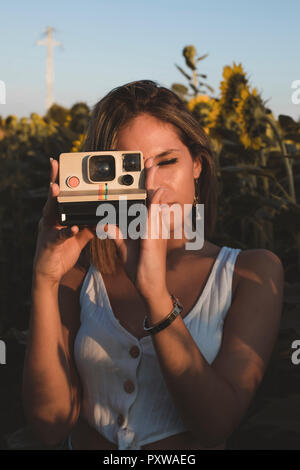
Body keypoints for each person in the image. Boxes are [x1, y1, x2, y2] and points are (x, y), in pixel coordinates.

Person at [22, 80, 284, 450]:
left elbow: (216, 425)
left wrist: (155, 295)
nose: (152, 186)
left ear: (197, 164)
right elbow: (50, 426)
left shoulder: (250, 273)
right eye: (130, 169)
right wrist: (44, 280)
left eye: (167, 161)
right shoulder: (80, 272)